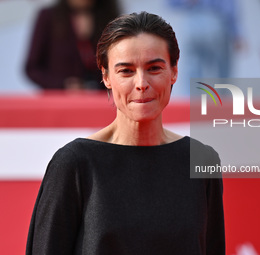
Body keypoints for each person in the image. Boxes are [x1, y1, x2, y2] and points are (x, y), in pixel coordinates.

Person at [26, 12, 225, 254]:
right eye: (126, 71)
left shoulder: (202, 160)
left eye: (154, 68)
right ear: (106, 76)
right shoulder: (75, 163)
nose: (141, 83)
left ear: (174, 71)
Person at [25, 0, 120, 90]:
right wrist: (63, 85)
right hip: (58, 101)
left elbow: (117, 66)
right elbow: (32, 68)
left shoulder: (109, 19)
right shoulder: (49, 17)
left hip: (98, 101)